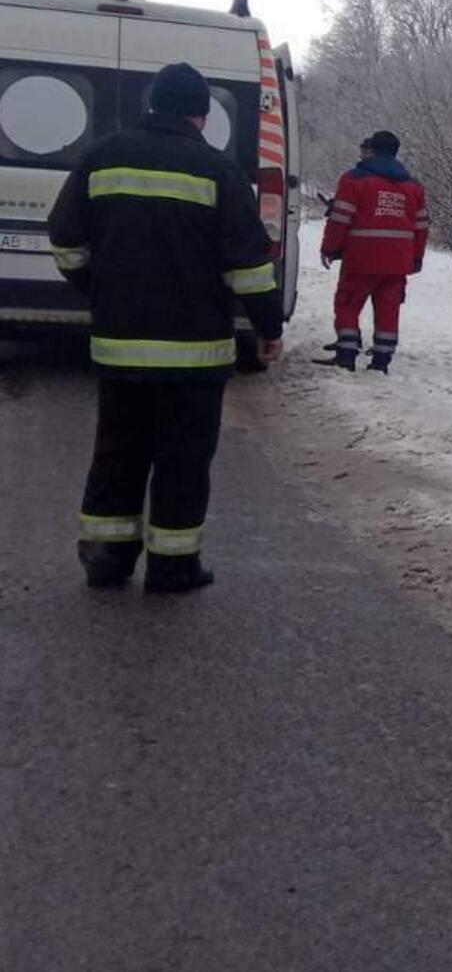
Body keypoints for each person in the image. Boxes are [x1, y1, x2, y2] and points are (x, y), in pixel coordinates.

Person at [47, 62, 286, 594]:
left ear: (151, 104)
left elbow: (64, 238)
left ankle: (107, 559)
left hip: (120, 346)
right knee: (183, 460)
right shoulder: (217, 171)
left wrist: (99, 287)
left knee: (117, 451)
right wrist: (269, 327)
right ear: (201, 115)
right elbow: (249, 265)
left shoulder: (101, 157)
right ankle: (173, 565)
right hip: (194, 356)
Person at [315, 130, 427, 373]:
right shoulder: (413, 187)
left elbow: (340, 218)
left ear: (372, 150)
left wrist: (329, 247)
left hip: (361, 257)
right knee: (389, 309)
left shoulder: (354, 180)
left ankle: (346, 354)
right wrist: (416, 257)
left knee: (347, 304)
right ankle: (381, 361)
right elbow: (421, 226)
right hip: (398, 260)